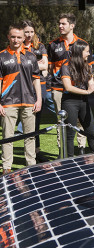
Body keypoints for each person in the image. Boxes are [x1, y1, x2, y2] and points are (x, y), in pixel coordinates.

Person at [0, 23, 42, 174]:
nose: (16, 40)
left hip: (29, 102)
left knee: (30, 137)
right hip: (8, 103)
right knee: (7, 137)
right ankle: (6, 168)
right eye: (13, 37)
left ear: (24, 38)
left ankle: (30, 165)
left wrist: (39, 99)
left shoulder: (31, 56)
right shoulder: (2, 56)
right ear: (8, 37)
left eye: (19, 37)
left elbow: (36, 79)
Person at [47, 13, 89, 155]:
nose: (60, 26)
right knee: (61, 121)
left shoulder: (82, 43)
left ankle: (81, 148)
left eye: (63, 23)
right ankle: (63, 149)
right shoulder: (53, 44)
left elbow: (88, 67)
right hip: (59, 88)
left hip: (79, 88)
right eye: (59, 23)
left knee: (79, 120)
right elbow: (50, 68)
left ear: (72, 25)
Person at [60, 40, 94, 157]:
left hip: (84, 101)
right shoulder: (66, 65)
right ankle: (69, 162)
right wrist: (86, 92)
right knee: (69, 135)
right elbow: (68, 87)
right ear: (79, 52)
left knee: (91, 132)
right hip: (69, 102)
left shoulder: (87, 65)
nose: (89, 54)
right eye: (87, 51)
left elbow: (91, 83)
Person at [22, 20, 49, 162]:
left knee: (36, 121)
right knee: (26, 120)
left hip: (40, 86)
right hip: (23, 88)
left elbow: (45, 66)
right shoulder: (17, 46)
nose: (29, 35)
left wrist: (29, 65)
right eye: (26, 32)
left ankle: (36, 152)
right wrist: (37, 64)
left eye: (31, 32)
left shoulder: (40, 46)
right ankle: (28, 153)